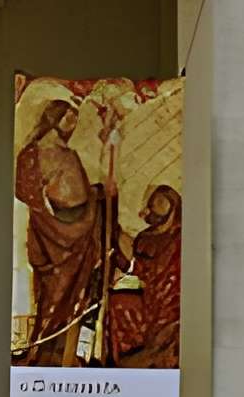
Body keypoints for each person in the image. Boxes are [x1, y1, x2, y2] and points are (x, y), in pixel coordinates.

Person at [13, 94, 116, 365]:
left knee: (79, 301)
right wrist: (54, 222)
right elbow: (27, 192)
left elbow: (81, 192)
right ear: (53, 117)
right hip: (54, 237)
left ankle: (69, 355)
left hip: (81, 232)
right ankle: (46, 355)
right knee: (54, 299)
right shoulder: (33, 154)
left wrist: (96, 195)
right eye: (68, 118)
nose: (72, 125)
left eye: (75, 120)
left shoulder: (69, 154)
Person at [103, 183, 182, 368]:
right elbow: (134, 267)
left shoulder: (180, 239)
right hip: (148, 296)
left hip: (171, 303)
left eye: (160, 206)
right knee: (118, 303)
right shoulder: (144, 238)